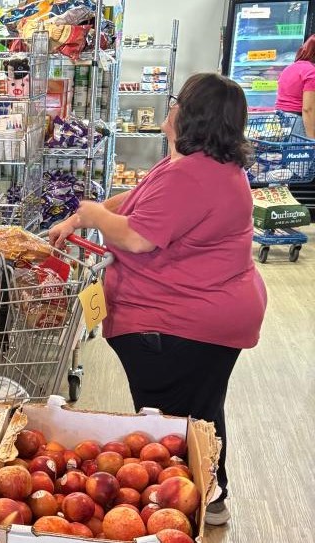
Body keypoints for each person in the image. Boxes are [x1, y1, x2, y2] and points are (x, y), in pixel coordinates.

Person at [49, 73, 267, 527]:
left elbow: (138, 237)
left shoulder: (193, 174)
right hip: (211, 315)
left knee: (169, 424)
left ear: (188, 116)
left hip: (180, 322)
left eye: (177, 101)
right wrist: (91, 213)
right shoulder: (206, 164)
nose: (170, 108)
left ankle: (178, 511)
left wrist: (94, 215)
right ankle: (212, 494)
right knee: (199, 413)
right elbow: (143, 200)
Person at [276, 35, 315, 138]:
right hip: (298, 122)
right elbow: (308, 109)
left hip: (280, 119)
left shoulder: (290, 68)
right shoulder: (312, 73)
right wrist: (312, 140)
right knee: (303, 153)